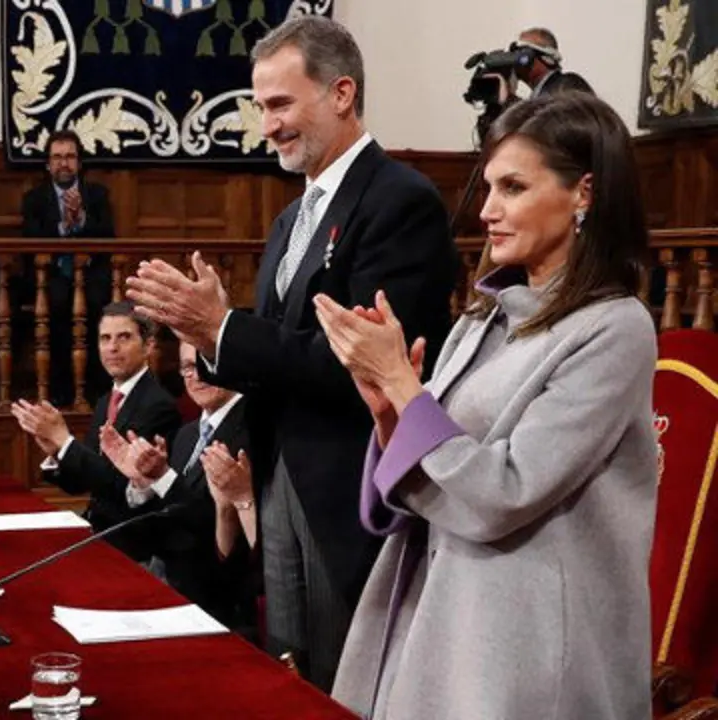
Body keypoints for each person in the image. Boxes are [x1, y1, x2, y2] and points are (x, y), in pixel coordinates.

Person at [126, 15, 458, 691]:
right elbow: (276, 354)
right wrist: (207, 337)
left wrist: (224, 327)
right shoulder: (288, 219)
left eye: (280, 104)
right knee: (290, 679)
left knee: (348, 687)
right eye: (260, 107)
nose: (268, 125)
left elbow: (357, 367)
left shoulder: (401, 202)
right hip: (277, 481)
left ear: (341, 94)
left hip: (349, 499)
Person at [321, 92, 656, 719]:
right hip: (444, 606)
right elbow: (431, 464)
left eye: (513, 187)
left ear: (584, 193)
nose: (488, 210)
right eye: (488, 187)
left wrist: (403, 386)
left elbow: (508, 490)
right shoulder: (483, 315)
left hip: (529, 639)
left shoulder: (615, 329)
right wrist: (387, 410)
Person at [99, 341, 253, 633]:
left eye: (203, 365)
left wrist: (163, 478)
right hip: (168, 592)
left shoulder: (250, 428)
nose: (194, 375)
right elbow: (162, 527)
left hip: (217, 606)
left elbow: (215, 523)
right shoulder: (187, 434)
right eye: (186, 368)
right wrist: (142, 484)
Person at [11, 301, 181, 562]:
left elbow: (122, 487)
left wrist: (66, 441)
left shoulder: (158, 405)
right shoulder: (106, 401)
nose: (112, 348)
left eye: (124, 337)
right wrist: (56, 452)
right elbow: (80, 483)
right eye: (105, 338)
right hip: (96, 535)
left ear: (148, 346)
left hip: (132, 547)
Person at [20, 130, 117, 406]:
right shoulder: (34, 199)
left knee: (99, 303)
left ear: (79, 163)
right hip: (51, 274)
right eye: (58, 157)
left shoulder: (97, 195)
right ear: (48, 165)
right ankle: (61, 389)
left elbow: (109, 236)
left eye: (70, 157)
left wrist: (82, 218)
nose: (64, 163)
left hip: (91, 274)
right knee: (58, 303)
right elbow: (31, 239)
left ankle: (98, 389)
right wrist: (65, 225)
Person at [515, 27, 592, 97]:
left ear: (546, 58)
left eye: (522, 51)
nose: (516, 57)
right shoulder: (541, 93)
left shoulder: (567, 85)